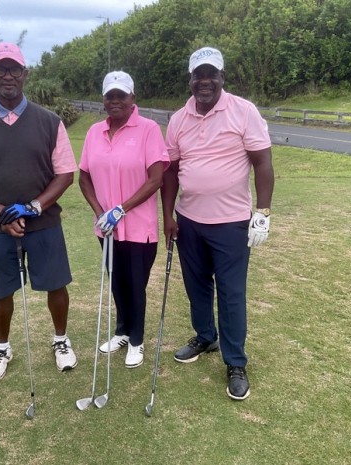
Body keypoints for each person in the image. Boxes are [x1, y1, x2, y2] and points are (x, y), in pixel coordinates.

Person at [0, 42, 78, 381]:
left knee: (56, 285)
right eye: (0, 69)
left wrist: (33, 207)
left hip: (45, 223)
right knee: (2, 290)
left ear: (25, 74)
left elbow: (65, 174)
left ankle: (60, 340)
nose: (7, 76)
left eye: (14, 69)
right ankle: (2, 347)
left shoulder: (50, 121)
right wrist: (2, 214)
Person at [161, 47, 274, 400]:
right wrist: (168, 215)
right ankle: (205, 337)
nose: (204, 81)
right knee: (196, 287)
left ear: (223, 78)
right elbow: (171, 171)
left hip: (231, 224)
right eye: (198, 75)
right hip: (189, 221)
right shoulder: (179, 119)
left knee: (231, 292)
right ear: (190, 79)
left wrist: (264, 213)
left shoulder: (243, 111)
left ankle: (235, 361)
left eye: (211, 74)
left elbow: (263, 163)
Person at [79, 71, 169, 368]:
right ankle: (121, 331)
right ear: (103, 100)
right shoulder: (94, 133)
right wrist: (99, 211)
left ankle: (137, 340)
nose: (115, 100)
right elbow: (84, 178)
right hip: (106, 227)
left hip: (139, 227)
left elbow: (155, 179)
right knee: (116, 282)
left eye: (121, 95)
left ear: (133, 99)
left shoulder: (148, 129)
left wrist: (121, 209)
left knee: (134, 285)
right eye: (110, 96)